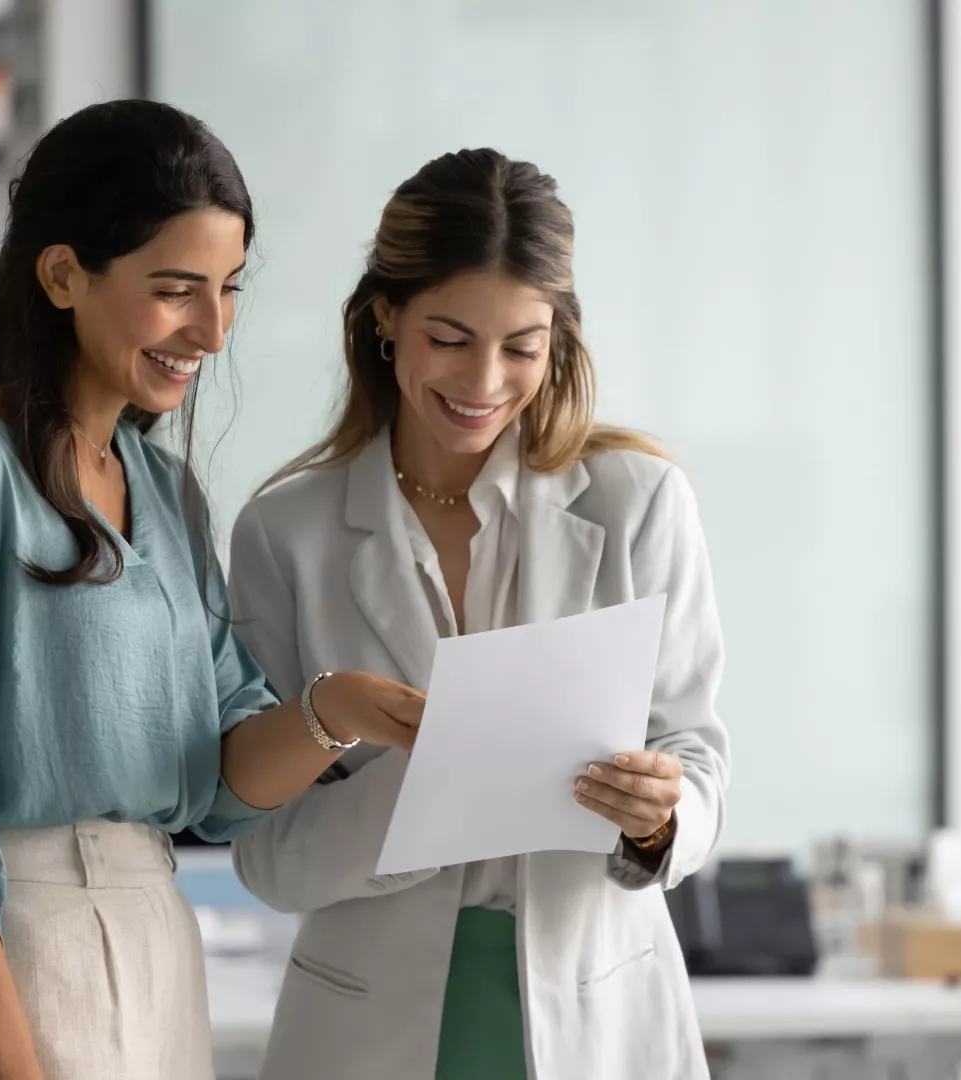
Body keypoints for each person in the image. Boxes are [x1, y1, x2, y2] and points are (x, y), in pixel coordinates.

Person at [0, 100, 424, 1080]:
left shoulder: (165, 493)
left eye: (229, 289)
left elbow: (217, 778)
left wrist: (336, 709)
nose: (212, 328)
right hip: (7, 963)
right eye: (175, 289)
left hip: (153, 948)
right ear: (64, 274)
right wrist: (7, 1064)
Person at [229, 148, 731, 1080]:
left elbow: (696, 756)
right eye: (449, 338)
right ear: (386, 318)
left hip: (600, 1009)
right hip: (367, 1020)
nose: (484, 381)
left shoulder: (638, 502)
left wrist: (658, 818)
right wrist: (437, 791)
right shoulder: (283, 533)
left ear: (558, 339)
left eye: (522, 346)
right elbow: (266, 858)